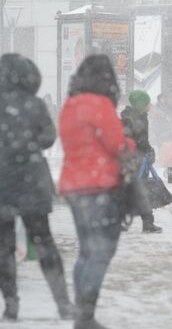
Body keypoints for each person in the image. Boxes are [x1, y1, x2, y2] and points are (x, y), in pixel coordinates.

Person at [0, 54, 74, 320]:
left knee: (3, 244)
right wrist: (28, 144)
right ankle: (62, 302)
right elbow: (49, 138)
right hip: (31, 183)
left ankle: (10, 302)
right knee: (44, 241)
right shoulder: (35, 104)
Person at [59, 54, 135, 329]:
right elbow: (118, 146)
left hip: (74, 187)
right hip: (99, 187)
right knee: (101, 251)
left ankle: (82, 311)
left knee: (87, 251)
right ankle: (85, 316)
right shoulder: (101, 105)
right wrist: (130, 142)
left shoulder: (70, 105)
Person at [121, 90, 163, 234]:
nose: (150, 105)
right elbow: (138, 140)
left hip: (134, 158)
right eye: (147, 103)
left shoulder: (133, 116)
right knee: (141, 191)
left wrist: (148, 150)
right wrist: (147, 151)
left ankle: (121, 221)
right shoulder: (136, 118)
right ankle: (147, 223)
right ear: (141, 104)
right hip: (136, 159)